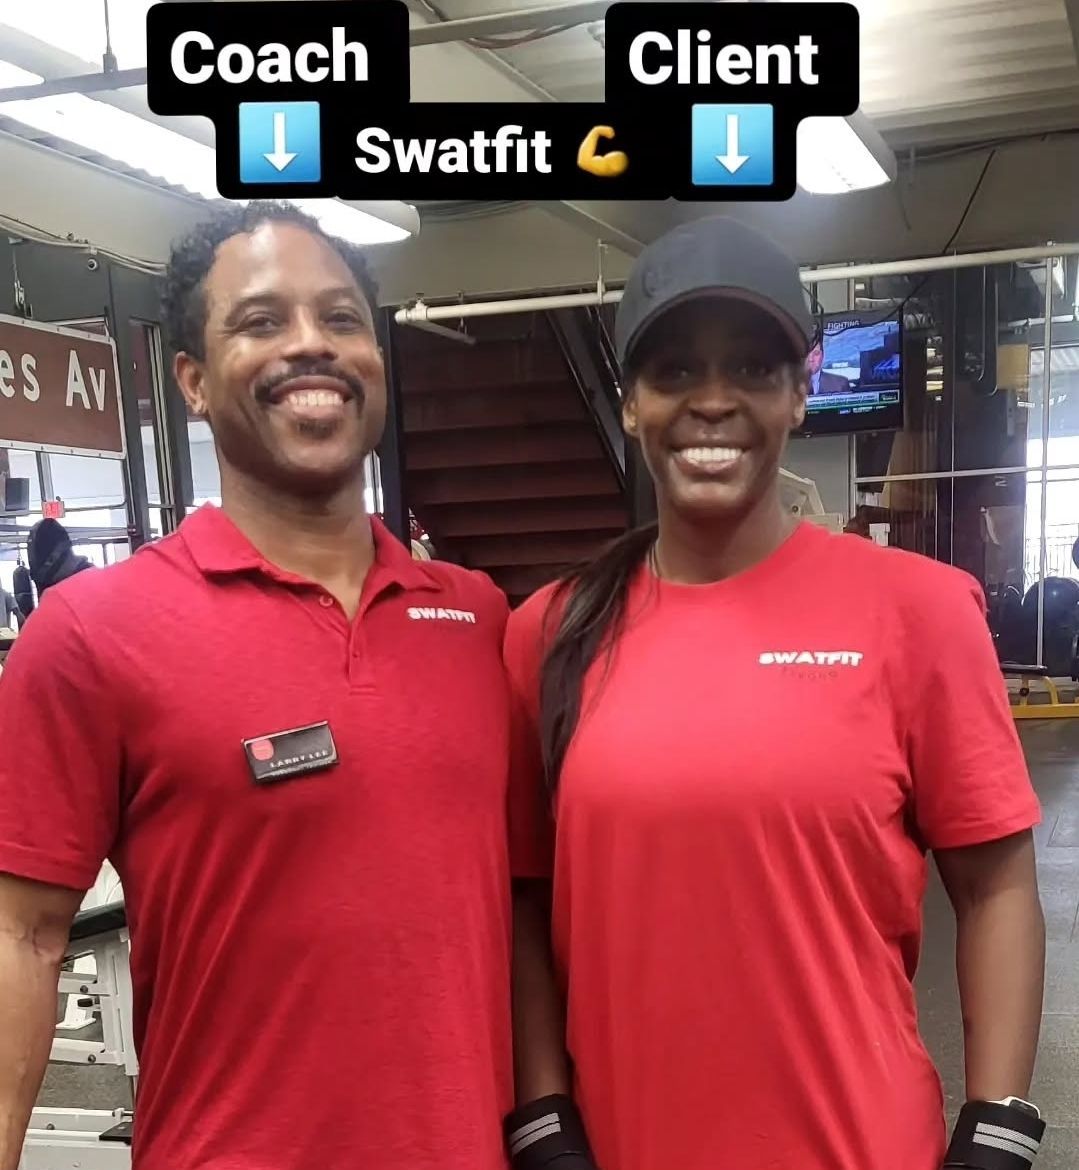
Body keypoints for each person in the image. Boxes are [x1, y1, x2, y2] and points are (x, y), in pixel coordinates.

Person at [501, 217, 1047, 1170]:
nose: (712, 401)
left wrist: (997, 1125)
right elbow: (525, 899)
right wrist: (543, 1115)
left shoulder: (916, 611)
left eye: (752, 369)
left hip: (858, 1146)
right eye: (673, 372)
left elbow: (995, 885)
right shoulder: (549, 632)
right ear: (630, 404)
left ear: (799, 393)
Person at [0, 201, 516, 1170]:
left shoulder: (479, 620)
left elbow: (519, 910)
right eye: (261, 321)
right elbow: (19, 941)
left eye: (341, 318)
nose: (309, 346)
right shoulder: (90, 636)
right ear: (191, 381)